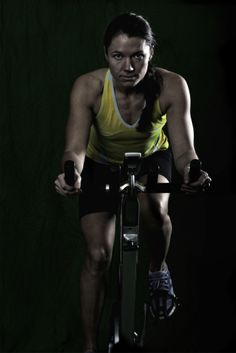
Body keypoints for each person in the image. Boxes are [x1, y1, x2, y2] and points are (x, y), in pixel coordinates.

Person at [54, 12, 211, 353]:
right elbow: (75, 147)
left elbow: (185, 151)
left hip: (152, 158)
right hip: (99, 165)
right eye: (118, 56)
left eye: (137, 55)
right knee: (97, 255)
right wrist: (73, 173)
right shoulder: (89, 87)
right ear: (106, 56)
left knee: (152, 208)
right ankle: (91, 346)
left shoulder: (172, 85)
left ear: (151, 53)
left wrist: (191, 172)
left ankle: (157, 270)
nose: (128, 66)